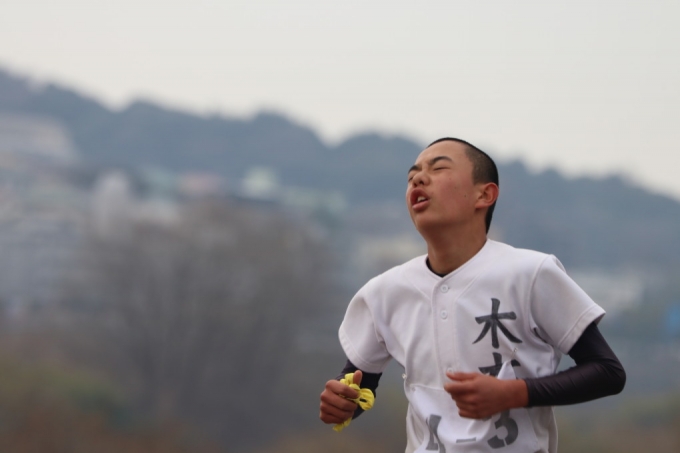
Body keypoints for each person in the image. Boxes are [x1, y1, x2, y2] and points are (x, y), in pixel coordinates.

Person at [319, 138, 626, 453]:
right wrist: (342, 403)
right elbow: (359, 384)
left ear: (485, 194)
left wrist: (514, 393)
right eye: (412, 177)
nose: (419, 179)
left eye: (438, 169)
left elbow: (608, 372)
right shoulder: (384, 292)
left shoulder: (531, 273)